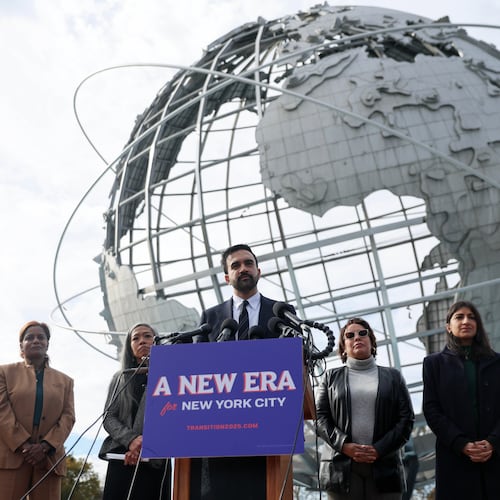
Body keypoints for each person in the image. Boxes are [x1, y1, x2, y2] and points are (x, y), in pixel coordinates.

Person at [190, 243, 296, 499]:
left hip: (269, 430)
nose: (243, 269)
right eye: (235, 265)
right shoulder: (211, 317)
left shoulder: (281, 312)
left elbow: (294, 363)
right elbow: (195, 369)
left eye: (248, 263)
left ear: (258, 271)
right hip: (219, 433)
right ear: (227, 277)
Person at [316, 317, 414, 500]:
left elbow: (406, 420)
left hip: (385, 467)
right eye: (350, 335)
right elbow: (321, 419)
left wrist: (378, 448)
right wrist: (344, 446)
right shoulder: (330, 378)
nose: (357, 337)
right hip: (340, 469)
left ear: (372, 342)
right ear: (343, 347)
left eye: (363, 333)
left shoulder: (393, 377)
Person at [423, 300, 500, 499]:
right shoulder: (434, 364)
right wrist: (461, 444)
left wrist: (492, 442)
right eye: (459, 317)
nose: (466, 321)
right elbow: (431, 410)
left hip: (496, 455)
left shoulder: (497, 362)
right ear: (448, 326)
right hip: (455, 458)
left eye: (472, 317)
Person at [0, 321, 75, 500]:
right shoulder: (4, 373)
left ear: (47, 343)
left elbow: (68, 416)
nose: (36, 341)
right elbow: (2, 411)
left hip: (48, 460)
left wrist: (46, 446)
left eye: (41, 337)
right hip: (12, 456)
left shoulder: (66, 381)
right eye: (29, 338)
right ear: (21, 345)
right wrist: (24, 445)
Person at [99, 323, 171, 500]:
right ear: (130, 347)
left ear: (157, 340)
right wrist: (131, 440)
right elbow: (109, 417)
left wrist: (142, 446)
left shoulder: (169, 376)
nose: (142, 341)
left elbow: (171, 417)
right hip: (121, 457)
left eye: (147, 336)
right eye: (136, 338)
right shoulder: (121, 377)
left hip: (154, 460)